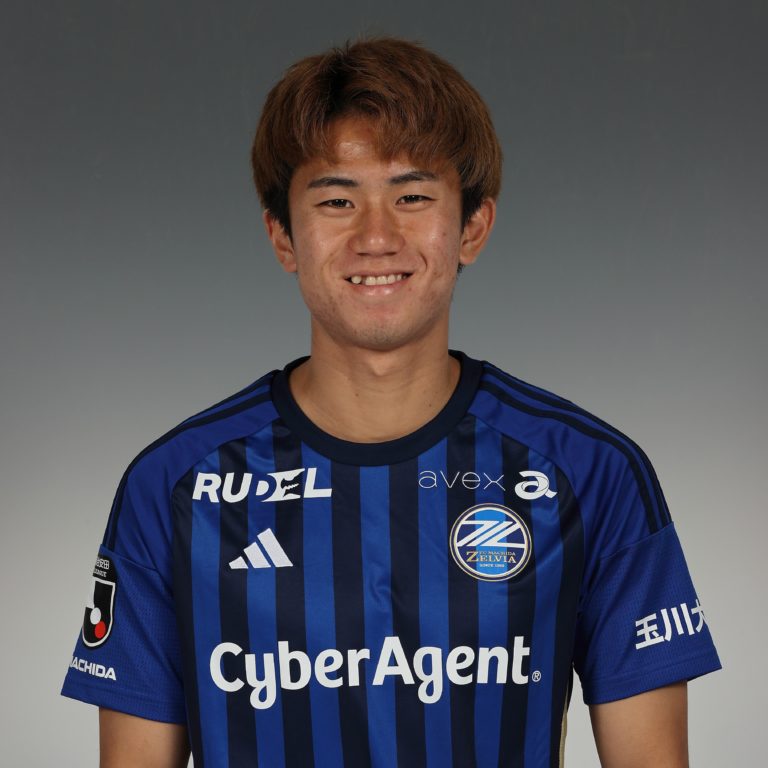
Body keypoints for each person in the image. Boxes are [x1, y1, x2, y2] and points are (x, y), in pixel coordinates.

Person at [62, 37, 720, 768]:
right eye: (336, 200)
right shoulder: (173, 484)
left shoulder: (592, 472)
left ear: (473, 226)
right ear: (283, 235)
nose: (376, 236)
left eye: (412, 196)